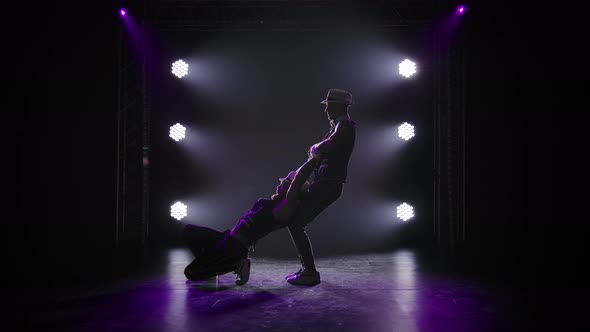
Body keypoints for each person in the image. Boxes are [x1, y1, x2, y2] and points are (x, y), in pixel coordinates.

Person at [183, 155, 321, 286]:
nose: (279, 185)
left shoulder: (285, 209)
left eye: (284, 183)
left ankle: (237, 264)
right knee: (189, 230)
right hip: (227, 238)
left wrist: (314, 158)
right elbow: (295, 183)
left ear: (291, 189)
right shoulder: (274, 203)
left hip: (236, 248)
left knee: (190, 273)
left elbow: (297, 182)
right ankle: (211, 267)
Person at [285, 88, 357, 286]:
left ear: (338, 106)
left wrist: (316, 147)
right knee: (296, 222)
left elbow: (327, 145)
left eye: (328, 106)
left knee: (296, 223)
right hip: (326, 184)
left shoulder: (344, 125)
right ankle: (307, 269)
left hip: (329, 184)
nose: (326, 111)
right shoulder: (339, 125)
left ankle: (310, 272)